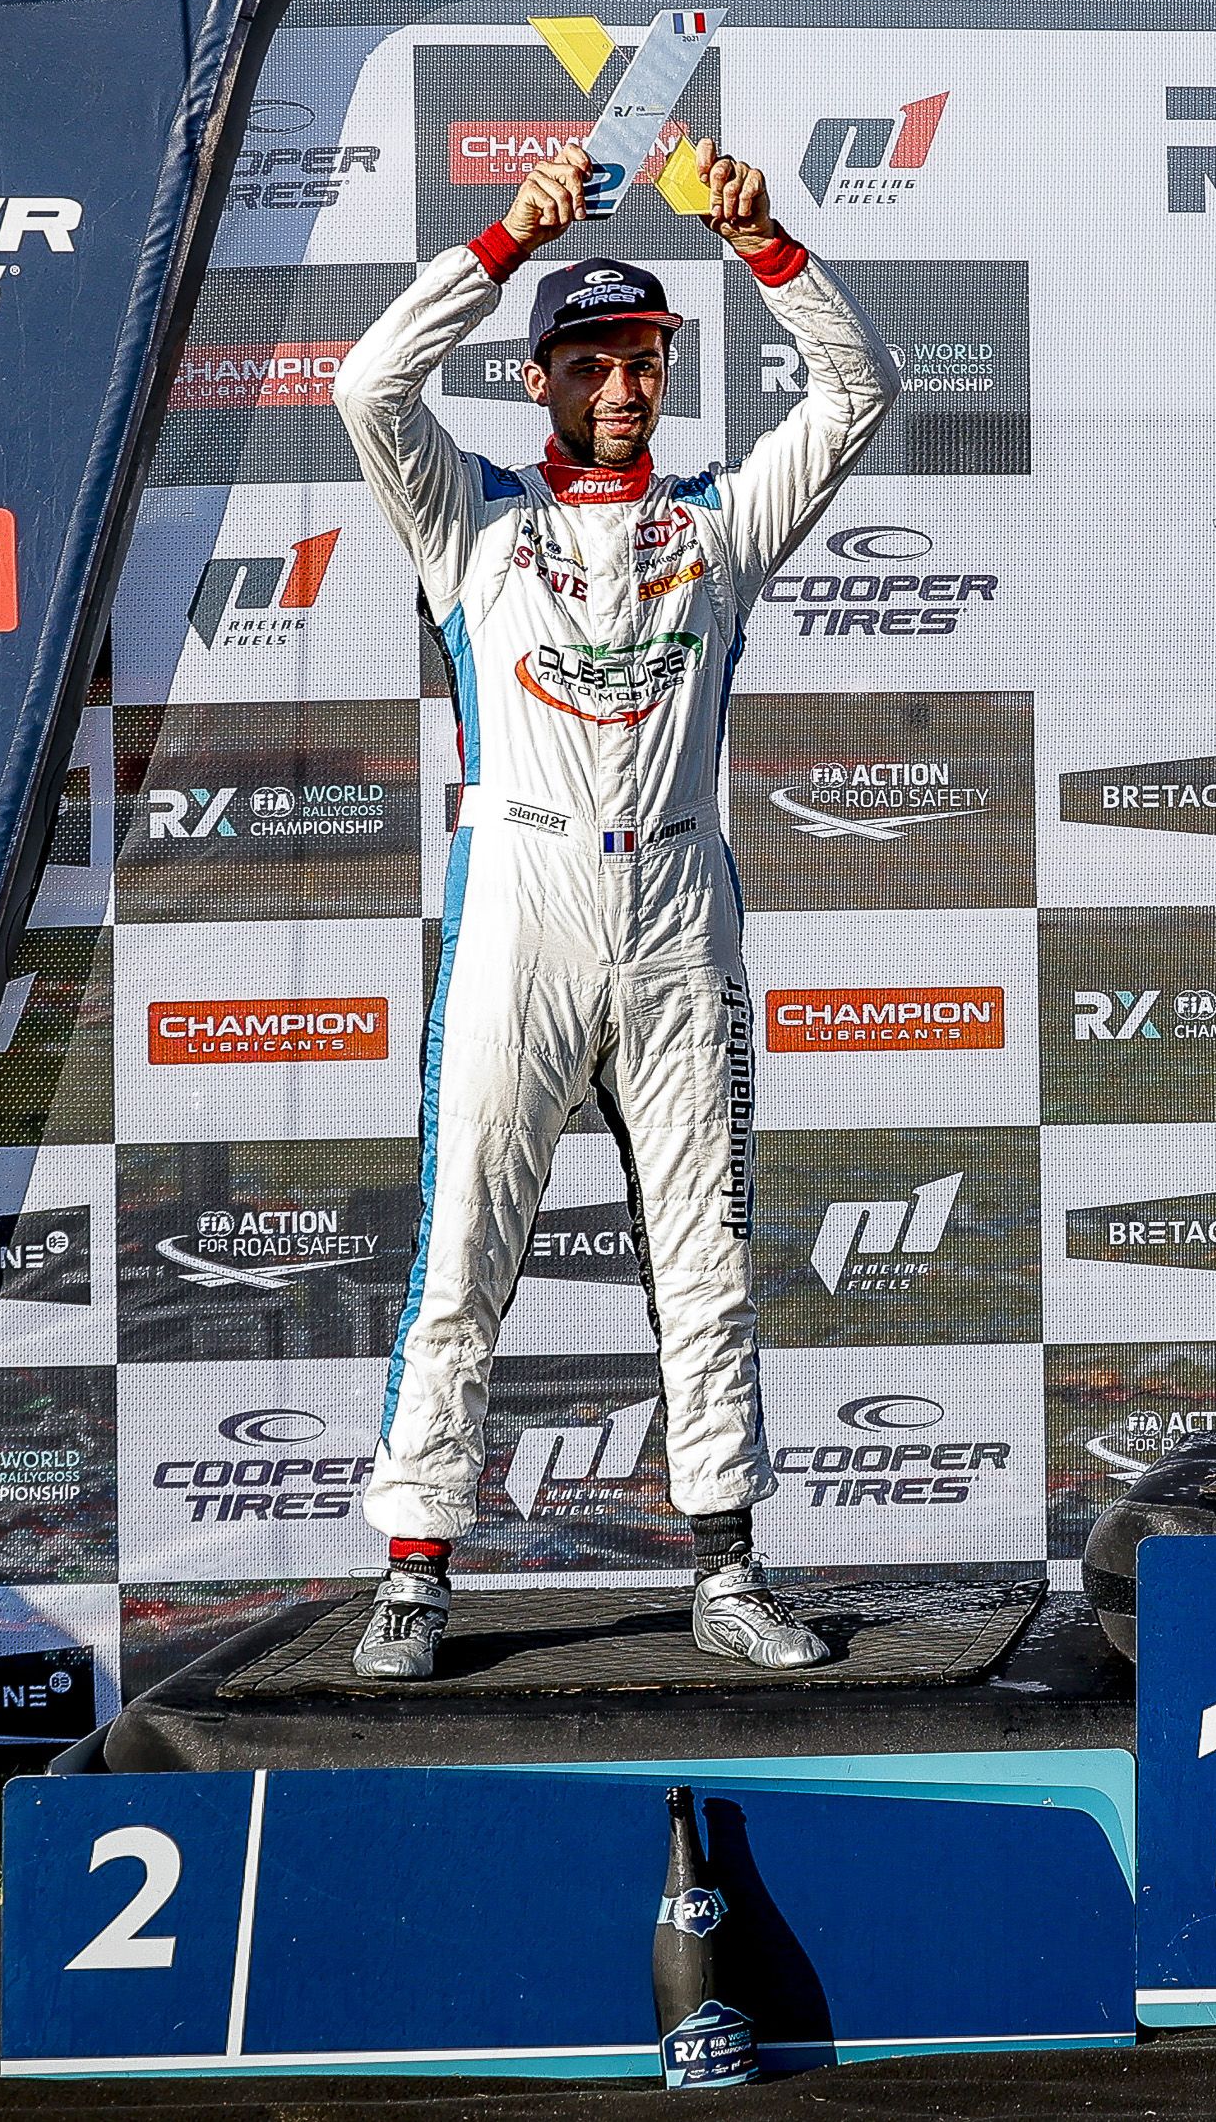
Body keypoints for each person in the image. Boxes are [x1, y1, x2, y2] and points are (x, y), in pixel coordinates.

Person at [331, 137, 895, 1680]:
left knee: (703, 1245)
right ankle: (416, 1567)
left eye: (644, 357)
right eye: (592, 361)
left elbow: (857, 395)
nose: (625, 385)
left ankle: (725, 1561)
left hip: (678, 900)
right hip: (520, 898)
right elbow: (369, 388)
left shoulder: (718, 521)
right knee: (469, 1239)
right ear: (539, 380)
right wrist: (504, 241)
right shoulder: (471, 519)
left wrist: (771, 244)